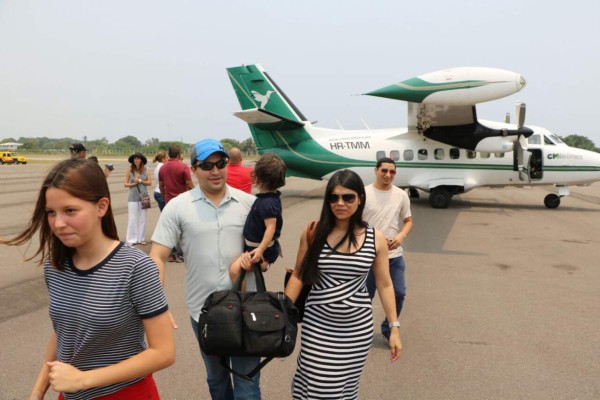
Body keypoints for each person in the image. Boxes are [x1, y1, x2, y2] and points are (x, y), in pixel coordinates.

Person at [0, 158, 174, 400]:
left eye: (70, 210)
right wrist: (38, 391)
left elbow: (163, 352)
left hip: (125, 393)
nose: (58, 224)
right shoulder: (56, 265)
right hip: (71, 393)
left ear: (101, 207)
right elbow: (64, 331)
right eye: (51, 212)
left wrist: (83, 379)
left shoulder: (135, 267)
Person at [150, 139, 261, 400]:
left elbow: (267, 251)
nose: (215, 171)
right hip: (204, 312)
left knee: (247, 384)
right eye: (207, 165)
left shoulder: (249, 204)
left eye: (220, 164)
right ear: (193, 169)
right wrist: (158, 306)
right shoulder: (178, 206)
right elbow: (157, 255)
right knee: (217, 380)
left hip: (246, 308)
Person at [285, 169, 402, 400]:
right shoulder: (313, 232)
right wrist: (281, 321)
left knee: (346, 389)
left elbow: (385, 284)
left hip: (356, 331)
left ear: (360, 199)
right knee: (320, 384)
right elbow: (298, 275)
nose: (340, 203)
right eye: (334, 197)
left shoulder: (375, 237)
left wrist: (394, 327)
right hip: (317, 325)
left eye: (348, 197)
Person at [363, 157, 413, 340]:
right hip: (367, 255)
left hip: (394, 256)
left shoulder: (401, 195)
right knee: (364, 298)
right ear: (376, 170)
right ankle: (359, 331)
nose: (388, 175)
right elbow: (356, 223)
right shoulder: (364, 193)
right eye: (384, 170)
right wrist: (375, 237)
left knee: (399, 293)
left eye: (392, 172)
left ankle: (388, 327)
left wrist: (401, 236)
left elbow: (408, 221)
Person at [229, 153, 286, 284]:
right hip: (262, 247)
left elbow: (271, 227)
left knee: (234, 271)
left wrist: (260, 250)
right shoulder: (272, 197)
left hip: (257, 249)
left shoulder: (266, 204)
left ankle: (243, 300)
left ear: (258, 178)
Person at [158, 145, 194, 263]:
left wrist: (165, 196)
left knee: (171, 227)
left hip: (169, 201)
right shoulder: (183, 167)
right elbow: (189, 184)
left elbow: (161, 185)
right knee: (182, 227)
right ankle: (180, 253)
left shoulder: (163, 168)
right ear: (179, 155)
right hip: (182, 201)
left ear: (169, 154)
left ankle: (172, 253)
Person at [124, 152, 151, 246]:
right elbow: (125, 184)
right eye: (135, 159)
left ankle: (141, 238)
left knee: (143, 218)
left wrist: (140, 180)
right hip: (132, 196)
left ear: (142, 160)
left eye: (138, 158)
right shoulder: (130, 170)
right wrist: (133, 184)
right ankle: (131, 239)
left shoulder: (147, 169)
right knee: (132, 218)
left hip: (144, 196)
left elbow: (150, 183)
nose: (136, 160)